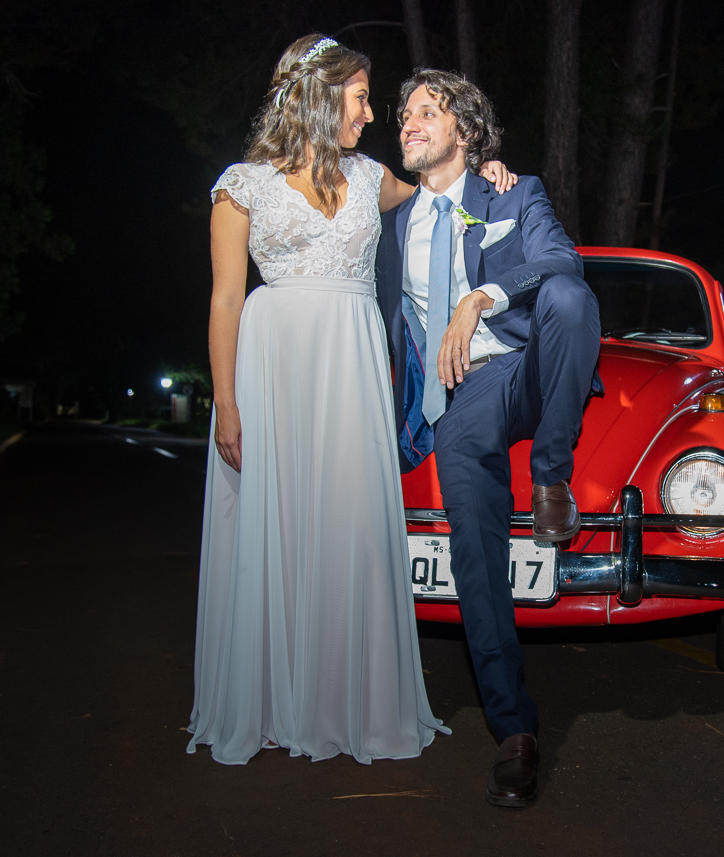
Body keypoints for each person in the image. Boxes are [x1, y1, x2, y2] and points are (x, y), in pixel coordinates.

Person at [187, 35, 514, 766]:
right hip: (272, 368)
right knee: (279, 526)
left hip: (353, 366)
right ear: (319, 94)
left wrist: (489, 170)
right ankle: (272, 700)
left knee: (348, 523)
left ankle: (344, 699)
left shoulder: (371, 177)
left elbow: (443, 185)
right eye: (362, 96)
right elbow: (224, 302)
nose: (372, 114)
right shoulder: (242, 185)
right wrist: (229, 405)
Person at [376, 70, 601, 805]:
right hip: (462, 395)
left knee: (570, 294)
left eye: (428, 111)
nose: (409, 121)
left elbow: (560, 262)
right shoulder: (392, 223)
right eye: (405, 112)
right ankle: (515, 729)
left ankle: (551, 476)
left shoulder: (512, 191)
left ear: (467, 135)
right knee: (473, 541)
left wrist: (481, 295)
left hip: (528, 367)